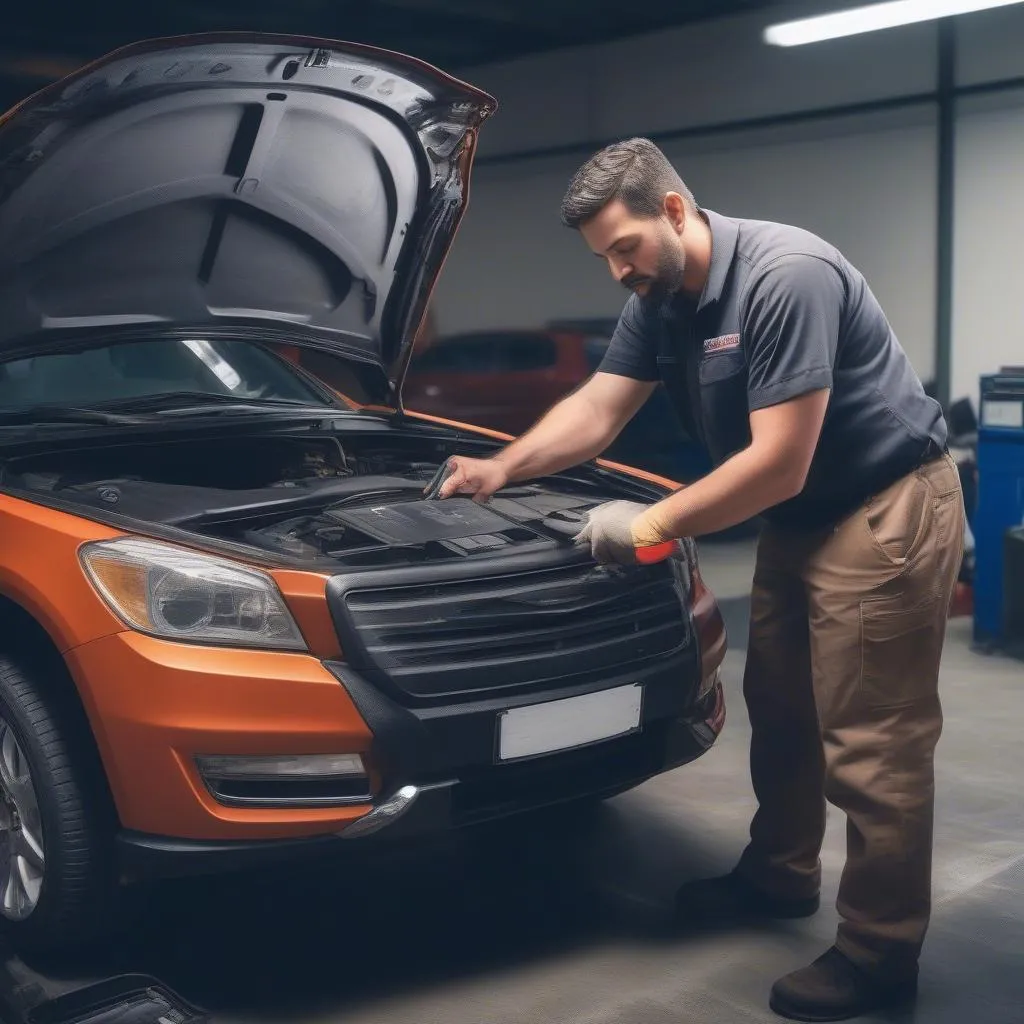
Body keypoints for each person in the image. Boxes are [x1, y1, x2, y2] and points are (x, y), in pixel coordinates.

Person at [430, 137, 964, 1022]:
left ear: (673, 211)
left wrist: (647, 522)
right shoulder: (663, 294)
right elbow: (600, 408)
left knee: (872, 743)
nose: (615, 271)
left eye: (624, 247)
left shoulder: (785, 276)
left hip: (884, 504)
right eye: (602, 256)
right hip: (801, 517)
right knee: (784, 706)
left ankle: (879, 950)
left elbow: (780, 462)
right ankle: (782, 875)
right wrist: (502, 466)